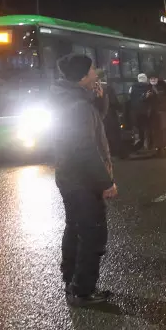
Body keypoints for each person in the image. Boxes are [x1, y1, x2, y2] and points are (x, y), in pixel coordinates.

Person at [51, 54, 117, 307]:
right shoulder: (76, 105)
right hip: (81, 180)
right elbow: (85, 148)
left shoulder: (71, 98)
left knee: (75, 228)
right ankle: (83, 291)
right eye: (91, 70)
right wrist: (106, 182)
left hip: (70, 176)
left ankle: (72, 280)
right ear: (81, 77)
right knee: (91, 234)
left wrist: (99, 99)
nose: (95, 74)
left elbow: (95, 120)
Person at [150, 78, 166, 156]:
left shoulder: (156, 90)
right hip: (163, 112)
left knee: (160, 132)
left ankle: (161, 149)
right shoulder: (165, 90)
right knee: (164, 131)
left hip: (160, 112)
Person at [128, 73, 153, 152]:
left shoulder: (132, 87)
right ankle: (147, 145)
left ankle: (139, 145)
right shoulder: (149, 87)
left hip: (135, 112)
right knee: (146, 128)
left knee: (138, 129)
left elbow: (130, 97)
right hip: (146, 112)